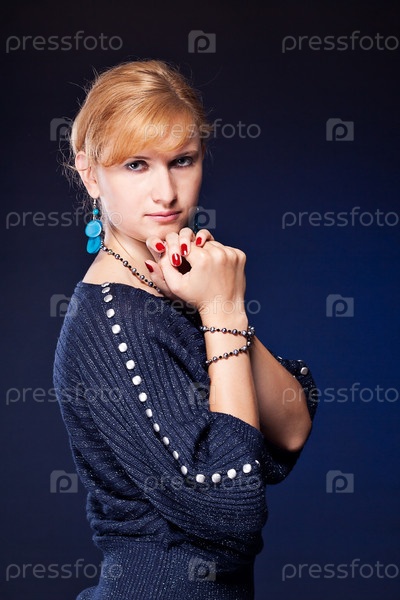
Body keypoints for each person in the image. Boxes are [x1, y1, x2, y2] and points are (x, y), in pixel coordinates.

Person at [53, 59, 318, 600]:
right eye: (136, 165)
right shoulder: (113, 321)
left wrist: (216, 306)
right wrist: (221, 311)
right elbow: (232, 511)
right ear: (90, 173)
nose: (166, 193)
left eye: (182, 161)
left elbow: (291, 426)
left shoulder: (175, 287)